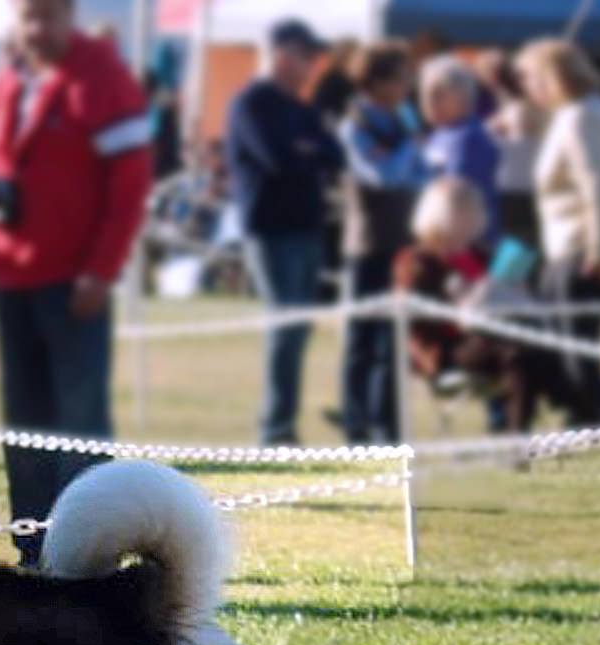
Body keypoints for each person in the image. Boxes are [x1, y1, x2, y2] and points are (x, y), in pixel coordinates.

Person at [0, 0, 153, 567]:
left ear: (70, 15)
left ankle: (86, 555)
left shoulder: (105, 79)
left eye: (48, 15)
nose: (37, 28)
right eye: (27, 16)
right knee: (23, 427)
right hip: (12, 282)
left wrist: (102, 268)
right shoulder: (5, 82)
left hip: (75, 284)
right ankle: (32, 550)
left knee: (79, 426)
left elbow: (130, 186)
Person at [226, 19, 345, 445]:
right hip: (271, 230)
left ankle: (284, 426)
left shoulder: (301, 106)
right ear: (281, 56)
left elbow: (332, 155)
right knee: (285, 325)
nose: (313, 65)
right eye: (306, 55)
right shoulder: (253, 103)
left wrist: (308, 151)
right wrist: (308, 152)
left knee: (298, 328)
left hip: (308, 227)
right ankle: (275, 429)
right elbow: (279, 158)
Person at [518, 38, 600, 427]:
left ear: (550, 78)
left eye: (529, 78)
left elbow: (599, 185)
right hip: (573, 243)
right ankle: (589, 413)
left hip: (585, 244)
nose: (526, 87)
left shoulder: (581, 118)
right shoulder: (581, 114)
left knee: (572, 346)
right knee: (564, 341)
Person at [395, 175, 561, 432]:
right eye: (466, 211)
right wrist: (465, 303)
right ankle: (518, 441)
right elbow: (418, 320)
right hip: (449, 348)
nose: (476, 218)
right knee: (516, 351)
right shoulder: (418, 261)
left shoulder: (480, 253)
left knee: (539, 347)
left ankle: (584, 420)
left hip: (494, 332)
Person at [334, 43, 423, 445]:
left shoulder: (402, 121)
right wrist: (412, 146)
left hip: (401, 245)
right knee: (361, 342)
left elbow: (421, 175)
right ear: (379, 81)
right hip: (366, 247)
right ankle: (356, 427)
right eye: (402, 76)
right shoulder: (354, 125)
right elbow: (381, 175)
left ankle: (387, 427)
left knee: (393, 342)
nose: (409, 85)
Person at [419, 55, 499, 241]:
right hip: (443, 239)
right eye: (425, 93)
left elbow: (456, 196)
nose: (428, 101)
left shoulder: (469, 138)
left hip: (467, 243)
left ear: (463, 96)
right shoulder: (440, 134)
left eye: (438, 94)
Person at [481, 52, 546, 251]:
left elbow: (521, 139)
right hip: (520, 190)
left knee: (518, 249)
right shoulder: (514, 108)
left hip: (518, 191)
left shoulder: (520, 109)